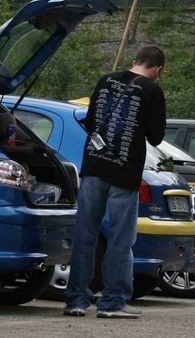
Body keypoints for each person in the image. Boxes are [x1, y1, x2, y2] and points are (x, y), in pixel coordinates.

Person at [64, 45, 166, 319]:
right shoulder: (152, 90)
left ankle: (76, 299)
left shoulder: (105, 80)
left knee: (86, 234)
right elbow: (156, 137)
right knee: (121, 238)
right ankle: (112, 302)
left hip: (94, 165)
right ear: (157, 70)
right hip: (124, 172)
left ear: (135, 60)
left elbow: (92, 120)